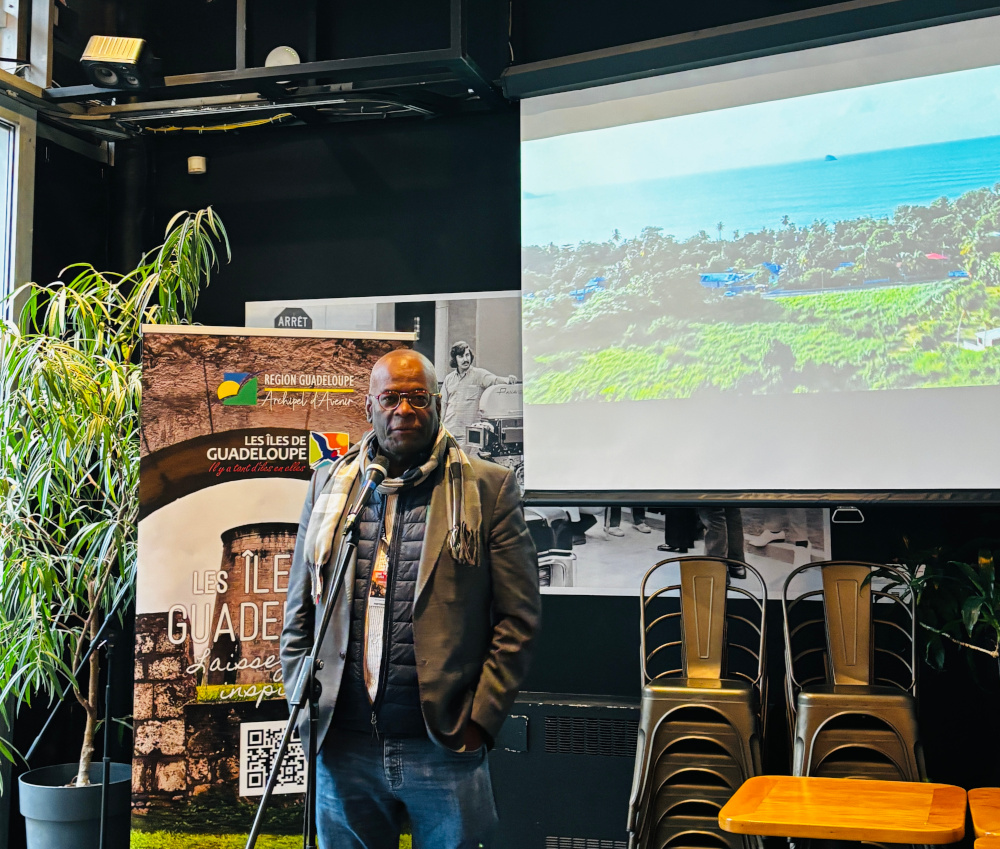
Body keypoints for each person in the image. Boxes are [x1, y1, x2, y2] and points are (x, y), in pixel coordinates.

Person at [281, 349, 541, 849]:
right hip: (343, 746)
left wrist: (479, 721)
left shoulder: (489, 488)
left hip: (443, 747)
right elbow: (299, 609)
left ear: (437, 404)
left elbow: (518, 619)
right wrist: (302, 697)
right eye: (391, 398)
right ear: (370, 407)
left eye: (418, 397)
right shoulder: (331, 485)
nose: (404, 410)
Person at [441, 340, 517, 454]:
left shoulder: (479, 375)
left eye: (467, 355)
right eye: (461, 356)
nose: (465, 359)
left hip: (468, 435)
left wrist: (508, 380)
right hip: (448, 431)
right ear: (455, 359)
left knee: (463, 463)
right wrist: (440, 428)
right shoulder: (449, 379)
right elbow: (443, 405)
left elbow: (495, 380)